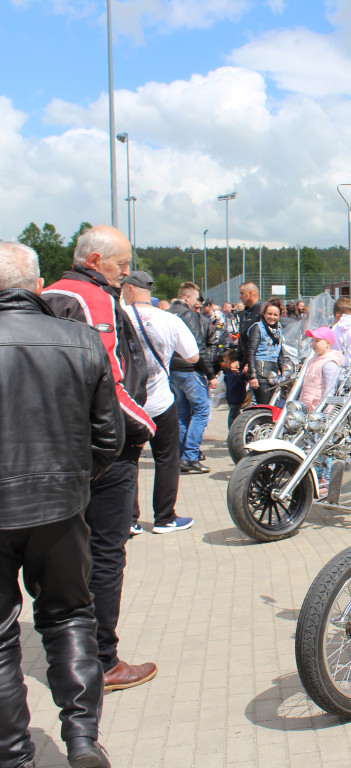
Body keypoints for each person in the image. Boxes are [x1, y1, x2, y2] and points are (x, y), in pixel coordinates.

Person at [0, 242, 122, 768]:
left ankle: (15, 754)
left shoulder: (78, 339)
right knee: (70, 616)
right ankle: (81, 738)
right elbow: (108, 437)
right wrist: (75, 479)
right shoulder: (79, 338)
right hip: (61, 505)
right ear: (35, 283)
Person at [42, 225, 159, 693]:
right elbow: (109, 378)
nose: (126, 273)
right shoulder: (92, 300)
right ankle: (102, 659)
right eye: (121, 264)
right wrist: (145, 426)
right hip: (102, 449)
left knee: (67, 554)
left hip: (57, 446)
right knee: (106, 554)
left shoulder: (45, 293)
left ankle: (65, 650)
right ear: (94, 261)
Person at [123, 271, 198, 534]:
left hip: (128, 402)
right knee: (166, 458)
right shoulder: (169, 319)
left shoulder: (118, 316)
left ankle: (129, 518)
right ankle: (164, 517)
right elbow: (192, 356)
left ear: (130, 290)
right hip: (160, 401)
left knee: (128, 459)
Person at [167, 282, 217, 475]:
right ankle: (190, 456)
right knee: (201, 412)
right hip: (189, 369)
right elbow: (197, 347)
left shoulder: (168, 313)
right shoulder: (189, 315)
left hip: (173, 370)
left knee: (182, 414)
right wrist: (211, 374)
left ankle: (180, 456)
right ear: (187, 298)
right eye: (195, 299)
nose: (197, 302)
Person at [246, 298, 287, 404]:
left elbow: (280, 352)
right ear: (263, 314)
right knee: (264, 404)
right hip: (260, 371)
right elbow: (251, 351)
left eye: (275, 315)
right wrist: (252, 375)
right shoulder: (258, 328)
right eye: (269, 314)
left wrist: (284, 371)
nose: (272, 317)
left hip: (273, 372)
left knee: (273, 404)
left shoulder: (279, 328)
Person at [299, 327, 347, 410]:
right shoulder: (313, 359)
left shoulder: (329, 363)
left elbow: (330, 390)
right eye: (312, 340)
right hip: (307, 408)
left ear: (328, 343)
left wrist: (326, 410)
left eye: (317, 341)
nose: (313, 344)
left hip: (319, 411)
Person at [237, 281, 263, 369]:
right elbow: (242, 339)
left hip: (257, 364)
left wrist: (251, 364)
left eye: (242, 293)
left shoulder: (262, 312)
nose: (240, 297)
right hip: (244, 363)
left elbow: (262, 342)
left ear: (251, 293)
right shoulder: (244, 313)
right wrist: (237, 359)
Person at [221, 349, 249, 428]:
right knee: (236, 415)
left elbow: (241, 380)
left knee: (232, 417)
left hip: (236, 397)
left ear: (232, 361)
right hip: (231, 397)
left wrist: (239, 374)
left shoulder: (236, 371)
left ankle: (232, 433)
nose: (225, 364)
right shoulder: (229, 371)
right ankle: (237, 429)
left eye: (226, 361)